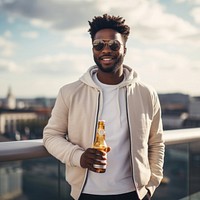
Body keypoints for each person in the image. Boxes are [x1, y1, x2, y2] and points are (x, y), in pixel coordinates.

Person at [43, 14, 165, 200]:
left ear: (124, 49)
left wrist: (150, 186)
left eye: (113, 45)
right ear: (92, 49)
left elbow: (156, 143)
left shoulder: (146, 93)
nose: (105, 50)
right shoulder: (69, 92)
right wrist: (79, 157)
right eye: (99, 45)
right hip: (85, 194)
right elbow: (51, 136)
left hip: (134, 194)